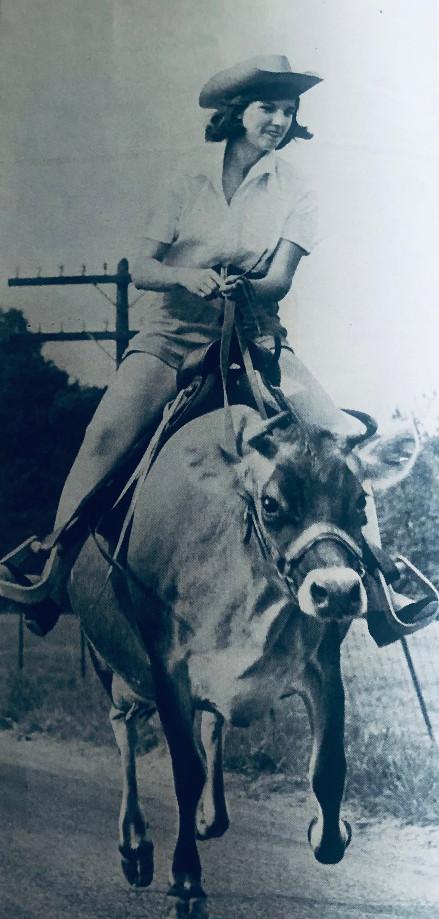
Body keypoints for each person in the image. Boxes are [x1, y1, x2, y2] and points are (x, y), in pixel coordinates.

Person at [0, 54, 436, 642]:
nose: (278, 120)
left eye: (288, 110)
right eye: (267, 108)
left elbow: (280, 278)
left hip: (258, 335)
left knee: (336, 439)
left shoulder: (298, 189)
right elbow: (144, 267)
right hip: (173, 333)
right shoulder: (185, 177)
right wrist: (187, 278)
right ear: (236, 113)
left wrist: (244, 287)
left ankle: (381, 588)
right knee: (104, 436)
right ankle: (50, 567)